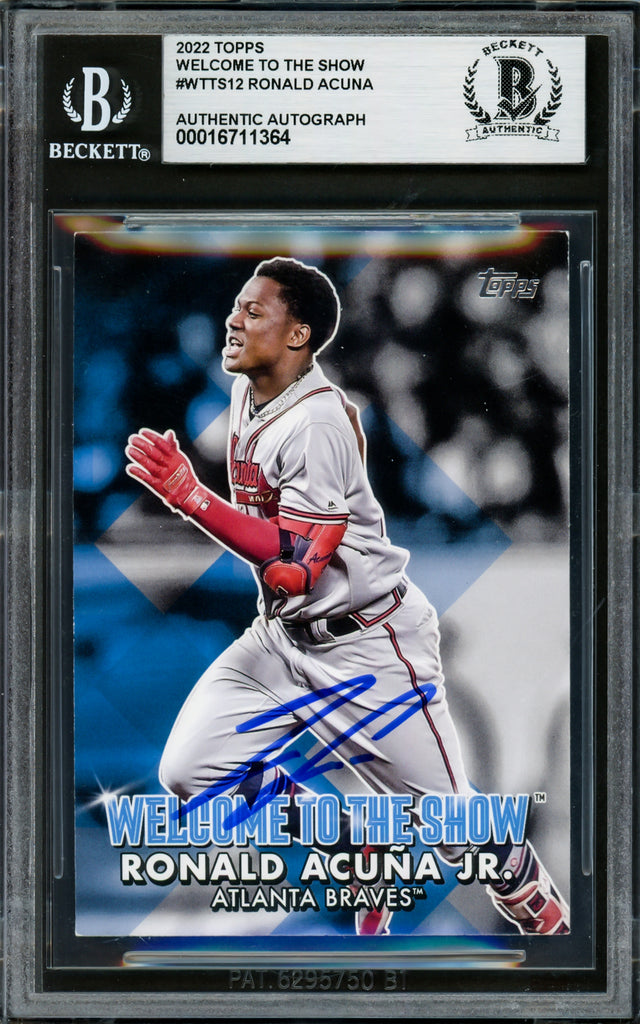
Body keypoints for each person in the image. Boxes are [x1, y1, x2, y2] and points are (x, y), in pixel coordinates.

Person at [125, 256, 569, 937]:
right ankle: (346, 837)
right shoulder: (247, 397)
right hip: (284, 635)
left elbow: (298, 564)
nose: (234, 320)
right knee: (192, 771)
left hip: (365, 640)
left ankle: (520, 883)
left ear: (298, 334)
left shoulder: (319, 423)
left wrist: (192, 498)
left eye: (254, 311)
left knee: (449, 823)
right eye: (238, 305)